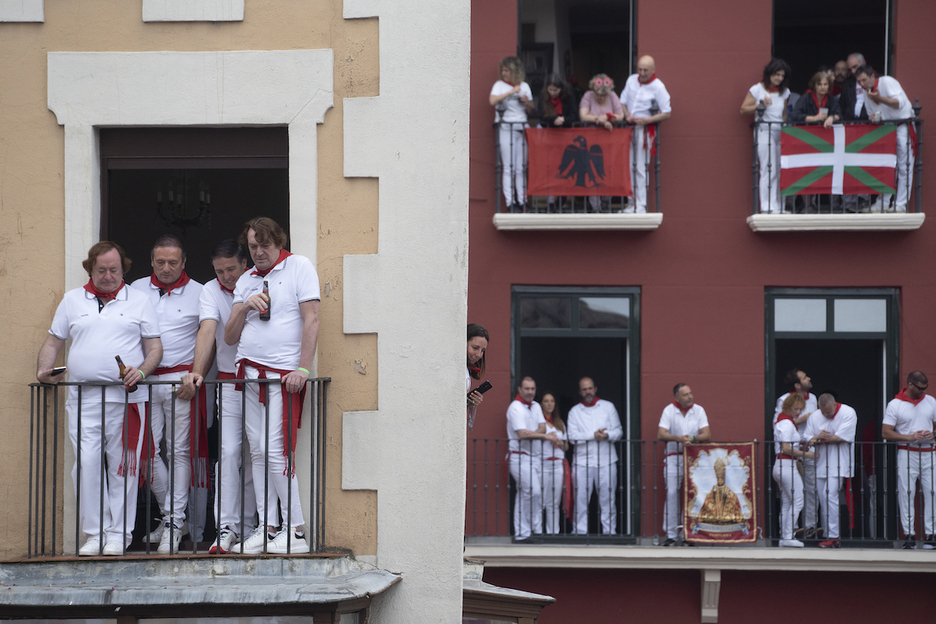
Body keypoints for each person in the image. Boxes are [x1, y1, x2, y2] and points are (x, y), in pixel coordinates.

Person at [36, 242, 162, 556]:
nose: (107, 276)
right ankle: (95, 534)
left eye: (114, 270)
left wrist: (143, 372)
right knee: (87, 466)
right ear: (91, 268)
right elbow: (53, 342)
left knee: (123, 467)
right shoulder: (71, 299)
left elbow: (155, 349)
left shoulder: (140, 301)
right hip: (82, 399)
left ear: (124, 268)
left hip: (126, 399)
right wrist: (43, 371)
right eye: (101, 270)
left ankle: (119, 535)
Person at [225, 217, 320, 554]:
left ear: (278, 241)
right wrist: (244, 307)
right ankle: (268, 527)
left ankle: (294, 531)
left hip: (282, 377)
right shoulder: (247, 279)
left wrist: (303, 368)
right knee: (257, 450)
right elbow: (230, 336)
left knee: (275, 449)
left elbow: (312, 318)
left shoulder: (298, 266)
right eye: (253, 246)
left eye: (264, 245)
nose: (259, 252)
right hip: (249, 373)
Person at [180, 240, 257, 554]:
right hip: (227, 380)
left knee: (257, 455)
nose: (226, 276)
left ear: (244, 264)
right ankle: (225, 529)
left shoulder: (257, 282)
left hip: (258, 381)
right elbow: (207, 329)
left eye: (231, 269)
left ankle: (251, 528)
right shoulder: (211, 290)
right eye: (219, 270)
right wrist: (197, 371)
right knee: (227, 453)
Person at [131, 234, 204, 554]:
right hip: (144, 381)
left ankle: (174, 521)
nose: (166, 268)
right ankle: (172, 515)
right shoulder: (134, 290)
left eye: (173, 262)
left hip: (180, 381)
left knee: (179, 451)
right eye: (160, 262)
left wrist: (197, 375)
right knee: (145, 451)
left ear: (184, 262)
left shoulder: (200, 292)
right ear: (151, 261)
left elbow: (209, 337)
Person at [882, 372, 936, 549]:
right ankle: (909, 535)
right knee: (906, 493)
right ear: (910, 384)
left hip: (929, 451)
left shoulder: (931, 401)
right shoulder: (895, 404)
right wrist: (909, 436)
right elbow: (886, 432)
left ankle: (931, 534)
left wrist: (933, 434)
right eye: (919, 388)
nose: (922, 391)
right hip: (907, 451)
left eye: (925, 388)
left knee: (933, 493)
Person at [567, 377, 623, 535]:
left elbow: (618, 431)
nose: (588, 392)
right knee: (581, 500)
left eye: (590, 388)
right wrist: (593, 435)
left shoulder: (608, 407)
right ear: (579, 392)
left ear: (595, 388)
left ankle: (609, 532)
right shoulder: (574, 411)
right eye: (584, 389)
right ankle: (579, 532)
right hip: (582, 462)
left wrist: (606, 436)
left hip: (607, 460)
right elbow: (572, 437)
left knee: (607, 500)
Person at [855, 65, 915, 213]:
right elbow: (873, 115)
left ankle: (900, 204)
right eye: (859, 82)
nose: (862, 84)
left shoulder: (887, 82)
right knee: (887, 165)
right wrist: (874, 118)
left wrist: (879, 98)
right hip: (886, 128)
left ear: (872, 76)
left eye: (863, 80)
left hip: (903, 125)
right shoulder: (865, 94)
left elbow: (899, 103)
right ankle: (882, 202)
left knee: (904, 166)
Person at [657, 383, 711, 546]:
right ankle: (672, 534)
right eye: (686, 395)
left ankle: (688, 533)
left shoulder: (699, 410)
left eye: (690, 393)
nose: (690, 397)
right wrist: (679, 438)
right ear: (677, 397)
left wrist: (692, 438)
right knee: (672, 493)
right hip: (674, 457)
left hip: (693, 458)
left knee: (692, 495)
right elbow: (661, 433)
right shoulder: (669, 410)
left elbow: (707, 433)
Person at [505, 377, 556, 541]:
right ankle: (523, 531)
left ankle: (525, 532)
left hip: (533, 458)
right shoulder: (515, 407)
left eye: (533, 389)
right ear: (519, 389)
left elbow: (542, 426)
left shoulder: (535, 406)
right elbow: (521, 434)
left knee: (528, 493)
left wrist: (533, 433)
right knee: (532, 491)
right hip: (518, 457)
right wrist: (542, 435)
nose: (530, 392)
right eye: (527, 389)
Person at [620, 55, 672, 213]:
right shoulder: (631, 80)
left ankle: (640, 205)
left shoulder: (658, 87)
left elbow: (667, 112)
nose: (641, 73)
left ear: (653, 70)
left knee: (640, 167)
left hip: (644, 130)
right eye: (640, 69)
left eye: (645, 70)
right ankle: (631, 203)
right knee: (628, 166)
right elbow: (622, 102)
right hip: (628, 128)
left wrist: (648, 120)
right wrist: (627, 114)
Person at [804, 393, 857, 548]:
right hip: (820, 463)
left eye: (829, 411)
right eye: (823, 412)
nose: (826, 415)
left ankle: (834, 536)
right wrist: (816, 437)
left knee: (830, 495)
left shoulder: (848, 412)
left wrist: (818, 439)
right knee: (823, 498)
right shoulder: (814, 416)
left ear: (835, 404)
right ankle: (828, 533)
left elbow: (841, 437)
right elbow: (806, 438)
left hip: (840, 463)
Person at [740, 58, 791, 213]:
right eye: (776, 75)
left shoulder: (785, 92)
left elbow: (784, 115)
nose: (779, 78)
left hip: (780, 132)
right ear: (769, 74)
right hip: (764, 131)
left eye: (782, 76)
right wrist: (760, 105)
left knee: (781, 169)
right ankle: (767, 206)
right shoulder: (757, 89)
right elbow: (743, 109)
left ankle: (779, 206)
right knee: (768, 169)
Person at [773, 368, 819, 537]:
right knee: (795, 498)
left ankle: (808, 526)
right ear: (797, 385)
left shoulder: (813, 398)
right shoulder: (784, 402)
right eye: (805, 378)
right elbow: (778, 426)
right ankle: (791, 530)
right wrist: (801, 419)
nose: (809, 378)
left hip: (805, 447)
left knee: (810, 488)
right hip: (791, 455)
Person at [490, 56, 534, 213]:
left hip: (521, 127)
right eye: (503, 70)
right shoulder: (499, 86)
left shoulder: (525, 86)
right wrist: (511, 92)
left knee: (521, 168)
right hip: (505, 128)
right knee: (508, 167)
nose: (504, 73)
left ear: (514, 71)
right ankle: (510, 202)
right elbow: (492, 101)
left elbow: (531, 109)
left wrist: (526, 102)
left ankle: (522, 201)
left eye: (507, 70)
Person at [579, 74, 625, 213]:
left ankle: (605, 201)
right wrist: (600, 120)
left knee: (608, 170)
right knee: (592, 169)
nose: (602, 98)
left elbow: (621, 114)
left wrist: (608, 117)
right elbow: (583, 116)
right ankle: (595, 205)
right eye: (599, 95)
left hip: (610, 141)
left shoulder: (612, 96)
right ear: (593, 91)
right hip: (592, 140)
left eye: (604, 95)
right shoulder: (588, 96)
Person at [535, 74, 580, 213]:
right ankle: (550, 201)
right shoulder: (544, 98)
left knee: (564, 166)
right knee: (550, 167)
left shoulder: (569, 97)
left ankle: (562, 198)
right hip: (549, 136)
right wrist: (554, 119)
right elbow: (541, 116)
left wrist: (563, 120)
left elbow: (574, 116)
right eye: (550, 90)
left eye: (555, 90)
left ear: (561, 89)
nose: (553, 93)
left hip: (565, 137)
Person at [538, 392, 569, 534]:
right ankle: (538, 531)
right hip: (543, 463)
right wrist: (546, 437)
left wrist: (560, 442)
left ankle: (553, 533)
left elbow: (567, 447)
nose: (549, 404)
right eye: (546, 401)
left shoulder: (559, 423)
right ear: (541, 404)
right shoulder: (538, 422)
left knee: (554, 502)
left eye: (552, 401)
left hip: (558, 464)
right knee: (541, 500)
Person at [697, 457, 744, 524]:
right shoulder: (712, 490)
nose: (720, 481)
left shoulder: (730, 492)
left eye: (721, 479)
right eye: (719, 479)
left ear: (724, 479)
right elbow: (707, 502)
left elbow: (734, 503)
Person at [466, 323, 489, 428]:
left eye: (482, 351)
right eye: (475, 348)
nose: (479, 355)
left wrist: (469, 402)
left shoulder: (466, 370)